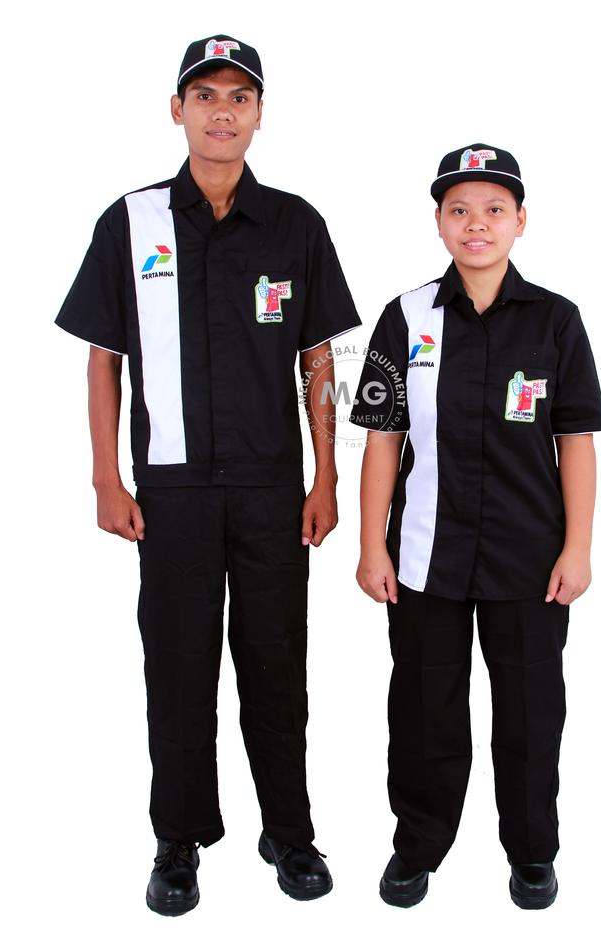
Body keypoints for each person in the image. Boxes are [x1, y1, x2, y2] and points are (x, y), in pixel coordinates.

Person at [55, 34, 361, 915]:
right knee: (179, 668)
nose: (222, 112)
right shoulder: (131, 221)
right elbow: (104, 358)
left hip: (271, 490)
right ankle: (178, 838)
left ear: (260, 113)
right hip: (173, 490)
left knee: (277, 664)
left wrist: (325, 477)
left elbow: (318, 357)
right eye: (206, 95)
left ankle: (289, 831)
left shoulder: (296, 224)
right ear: (177, 109)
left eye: (239, 97)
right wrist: (105, 478)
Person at [349, 144, 601, 909]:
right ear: (438, 222)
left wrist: (578, 547)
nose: (477, 224)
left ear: (521, 221)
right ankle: (417, 845)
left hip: (531, 562)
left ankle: (531, 851)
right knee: (424, 709)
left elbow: (576, 440)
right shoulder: (407, 317)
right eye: (459, 209)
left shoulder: (556, 320)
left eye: (494, 209)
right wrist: (371, 545)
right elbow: (383, 438)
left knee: (530, 713)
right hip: (423, 557)